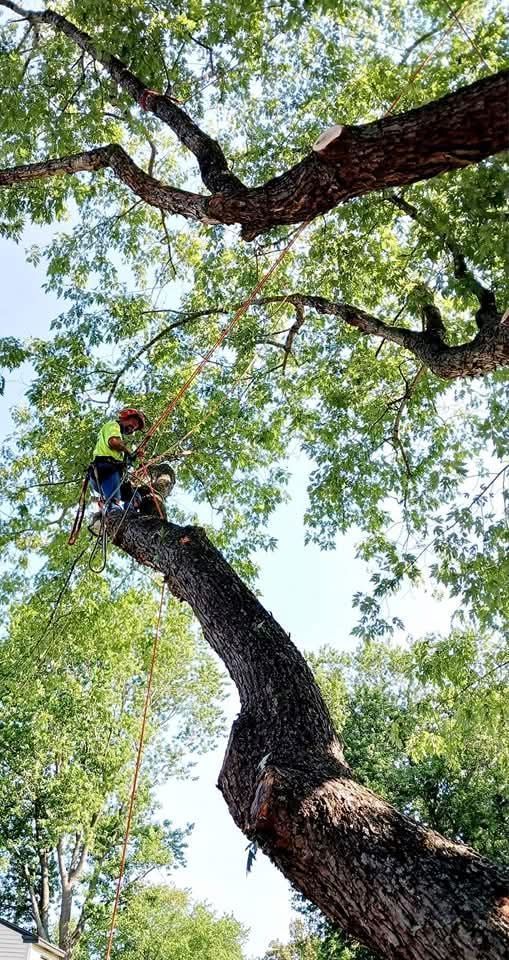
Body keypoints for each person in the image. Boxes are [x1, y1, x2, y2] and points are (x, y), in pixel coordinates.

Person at [89, 408, 146, 511]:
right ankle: (113, 510)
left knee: (134, 497)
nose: (133, 428)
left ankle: (130, 515)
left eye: (135, 427)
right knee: (114, 504)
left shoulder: (120, 448)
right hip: (106, 468)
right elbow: (114, 442)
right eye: (133, 422)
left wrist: (133, 455)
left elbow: (124, 457)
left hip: (112, 474)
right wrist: (129, 452)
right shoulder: (113, 425)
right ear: (124, 417)